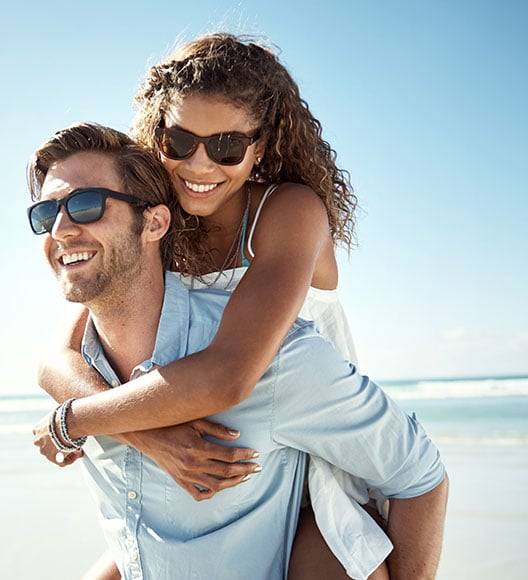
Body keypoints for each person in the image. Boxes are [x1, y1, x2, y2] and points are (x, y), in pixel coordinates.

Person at [35, 33, 394, 579]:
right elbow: (55, 361)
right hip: (205, 452)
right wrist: (146, 438)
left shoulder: (287, 212)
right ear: (157, 135)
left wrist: (72, 422)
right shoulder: (157, 220)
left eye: (225, 147)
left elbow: (229, 375)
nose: (199, 165)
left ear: (261, 144)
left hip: (311, 458)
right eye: (180, 142)